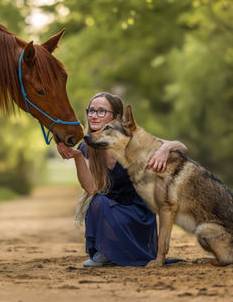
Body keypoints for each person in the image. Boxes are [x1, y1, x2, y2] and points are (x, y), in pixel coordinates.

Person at [57, 92, 187, 267]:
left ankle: (121, 251)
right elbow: (90, 187)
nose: (94, 116)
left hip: (139, 214)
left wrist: (166, 148)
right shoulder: (87, 146)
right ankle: (105, 252)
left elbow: (181, 147)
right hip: (110, 210)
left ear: (117, 117)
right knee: (97, 200)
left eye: (101, 111)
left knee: (101, 202)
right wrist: (78, 157)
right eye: (91, 111)